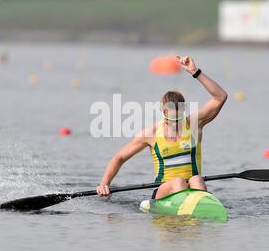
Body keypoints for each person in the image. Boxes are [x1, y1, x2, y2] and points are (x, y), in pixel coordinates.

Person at [96, 56, 228, 199]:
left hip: (192, 189)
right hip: (163, 192)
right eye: (172, 118)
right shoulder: (150, 134)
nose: (176, 123)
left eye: (179, 117)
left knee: (196, 179)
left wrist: (195, 72)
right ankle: (190, 205)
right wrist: (104, 183)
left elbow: (220, 97)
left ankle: (201, 206)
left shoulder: (194, 125)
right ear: (164, 112)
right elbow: (119, 157)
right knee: (178, 182)